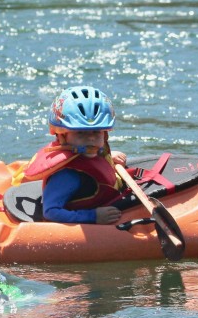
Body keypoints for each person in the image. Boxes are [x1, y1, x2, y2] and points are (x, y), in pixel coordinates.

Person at [17, 85, 127, 224]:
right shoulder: (67, 175)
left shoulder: (92, 150)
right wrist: (92, 216)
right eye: (80, 132)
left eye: (96, 132)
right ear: (62, 135)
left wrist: (108, 158)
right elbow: (50, 211)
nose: (91, 138)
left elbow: (94, 159)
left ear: (105, 134)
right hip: (80, 214)